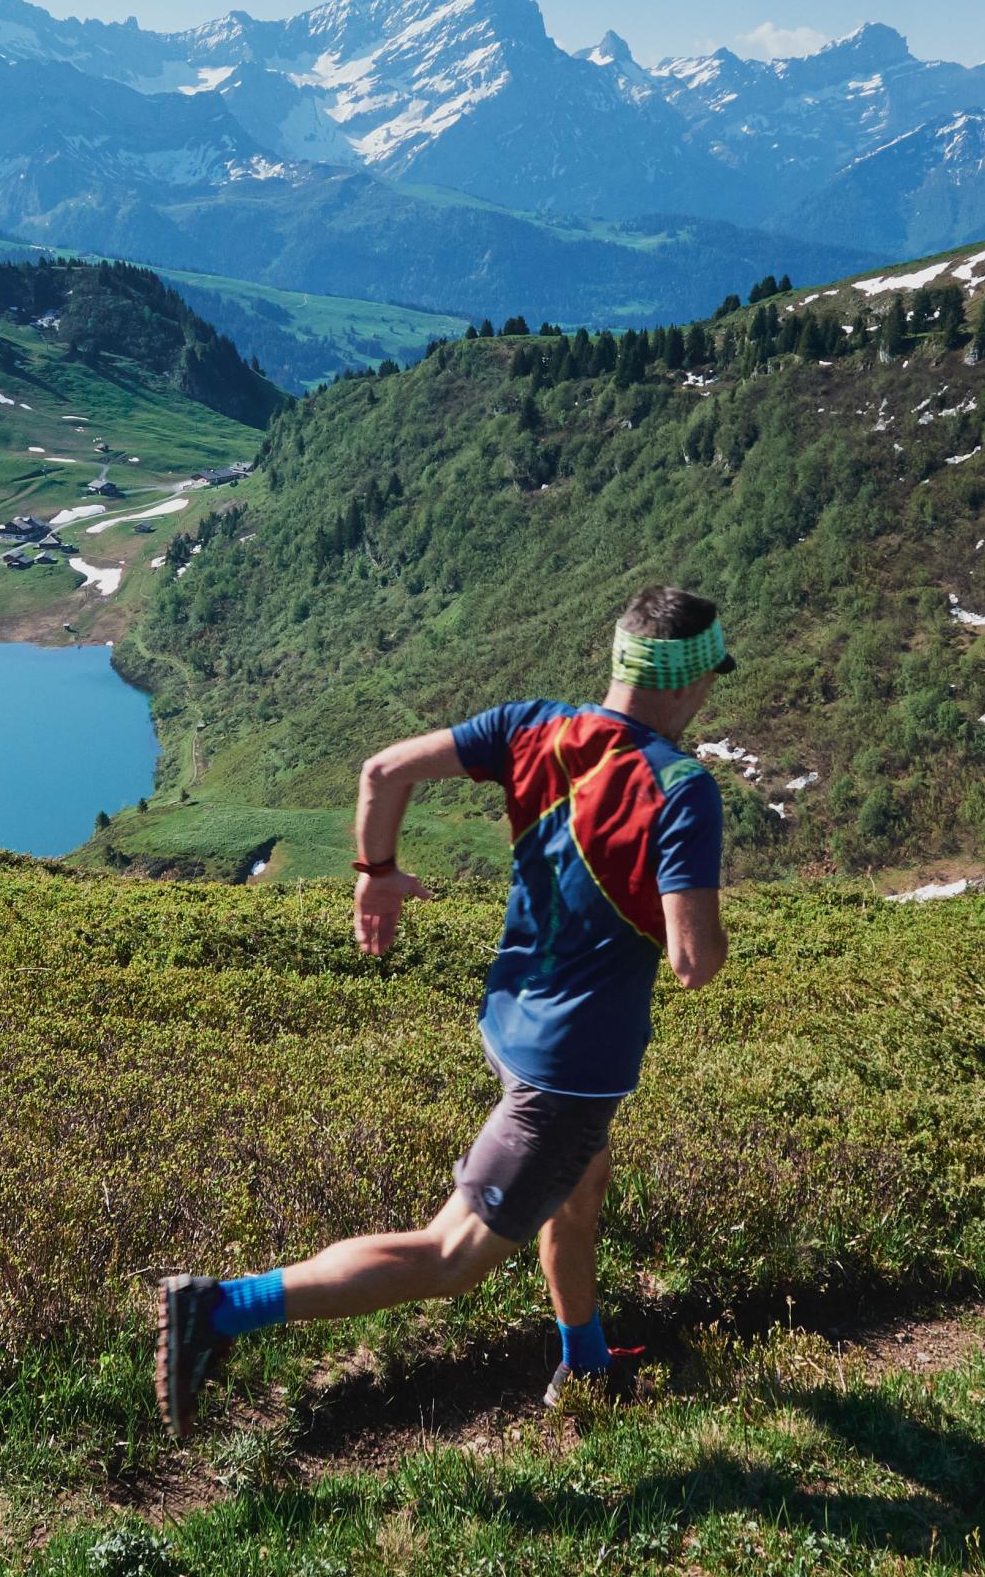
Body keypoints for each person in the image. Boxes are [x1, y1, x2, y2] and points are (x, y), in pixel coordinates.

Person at [154, 585, 733, 1437]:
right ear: (691, 685)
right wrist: (703, 922)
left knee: (581, 1187)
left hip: (511, 1020)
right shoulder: (682, 790)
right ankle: (221, 1308)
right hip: (569, 1068)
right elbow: (693, 963)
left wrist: (375, 871)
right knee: (452, 1256)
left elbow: (383, 771)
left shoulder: (532, 726)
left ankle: (585, 1361)